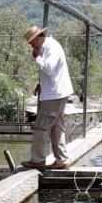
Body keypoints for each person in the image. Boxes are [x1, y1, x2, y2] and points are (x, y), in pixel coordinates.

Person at [22, 26, 74, 170]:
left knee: (41, 127)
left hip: (54, 95)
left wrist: (37, 57)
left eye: (31, 42)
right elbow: (52, 72)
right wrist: (41, 83)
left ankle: (38, 160)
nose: (31, 45)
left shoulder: (51, 47)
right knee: (56, 127)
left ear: (38, 38)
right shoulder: (48, 47)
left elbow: (49, 68)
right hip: (56, 92)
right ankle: (61, 159)